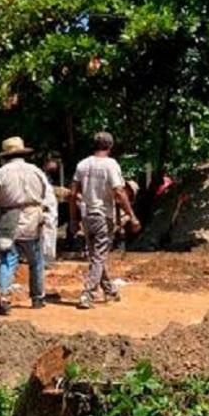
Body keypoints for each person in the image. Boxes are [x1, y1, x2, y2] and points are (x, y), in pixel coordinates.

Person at [69, 132, 138, 310]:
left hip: (86, 215)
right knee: (99, 257)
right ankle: (87, 294)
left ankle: (109, 290)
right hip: (102, 216)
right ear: (110, 146)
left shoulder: (82, 164)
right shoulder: (110, 165)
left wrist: (73, 219)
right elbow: (119, 192)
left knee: (96, 256)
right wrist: (131, 215)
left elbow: (72, 193)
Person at [0, 137, 49, 315]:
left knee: (8, 258)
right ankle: (37, 298)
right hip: (34, 217)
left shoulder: (0, 174)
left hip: (10, 218)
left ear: (5, 156)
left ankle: (3, 298)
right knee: (36, 260)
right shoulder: (36, 171)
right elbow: (46, 194)